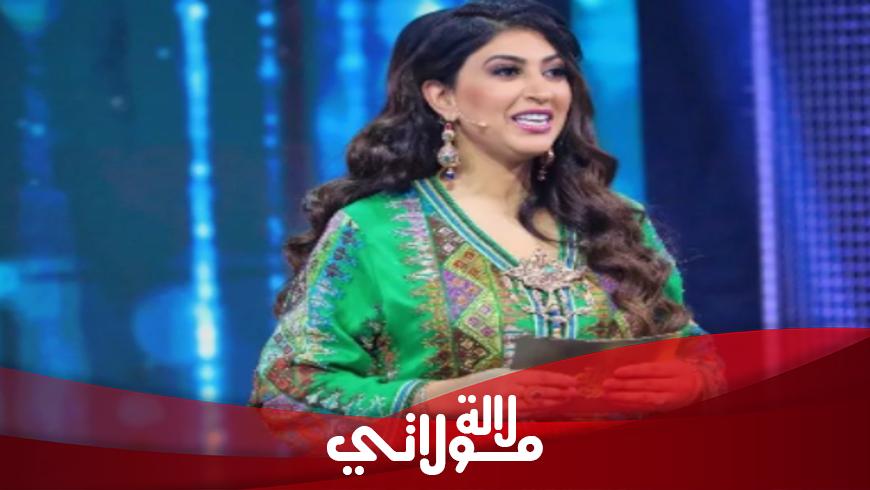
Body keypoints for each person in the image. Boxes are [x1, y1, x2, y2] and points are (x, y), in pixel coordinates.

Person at [250, 0, 723, 418]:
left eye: (554, 72)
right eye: (507, 72)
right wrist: (438, 398)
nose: (543, 91)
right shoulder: (374, 230)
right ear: (443, 97)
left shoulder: (615, 221)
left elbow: (692, 351)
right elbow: (288, 391)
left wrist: (693, 383)